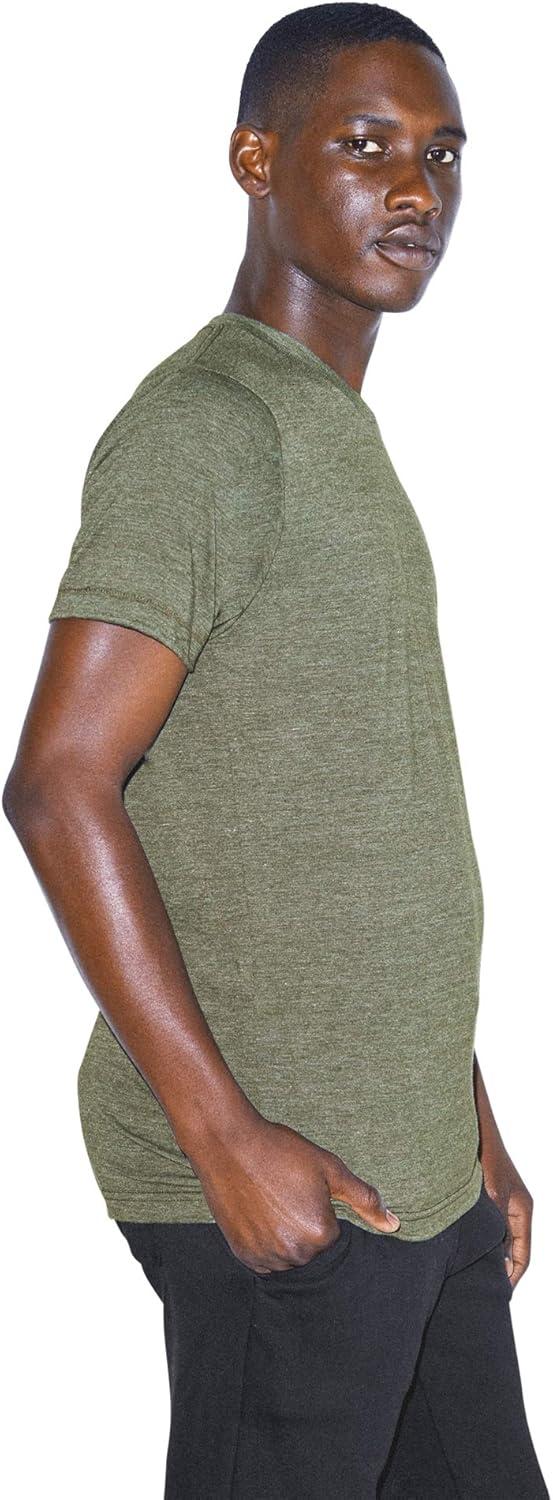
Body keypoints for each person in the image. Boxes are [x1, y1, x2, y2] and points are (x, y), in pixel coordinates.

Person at [3, 4, 549, 1496]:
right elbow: (57, 783)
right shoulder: (209, 429)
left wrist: (471, 1129)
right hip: (289, 1191)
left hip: (417, 1180)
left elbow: (357, 832)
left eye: (443, 155)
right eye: (367, 145)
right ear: (256, 159)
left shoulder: (332, 432)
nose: (417, 189)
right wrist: (225, 1140)